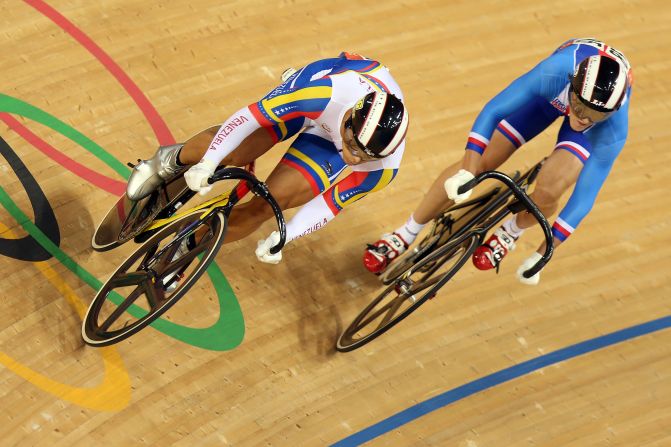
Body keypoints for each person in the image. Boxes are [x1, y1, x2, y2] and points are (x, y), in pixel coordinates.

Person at [364, 38, 632, 285]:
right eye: (580, 106)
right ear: (572, 86)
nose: (583, 117)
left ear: (612, 111)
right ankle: (406, 232)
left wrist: (542, 254)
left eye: (595, 114)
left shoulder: (613, 127)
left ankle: (510, 231)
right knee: (481, 163)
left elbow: (584, 199)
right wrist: (468, 171)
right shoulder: (556, 72)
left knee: (551, 187)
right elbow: (493, 111)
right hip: (547, 100)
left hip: (586, 120)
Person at [126, 52, 409, 266]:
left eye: (365, 157)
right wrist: (209, 162)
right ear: (349, 121)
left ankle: (187, 247)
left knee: (269, 205)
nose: (355, 160)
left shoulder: (385, 167)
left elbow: (332, 202)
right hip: (313, 99)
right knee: (236, 154)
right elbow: (248, 118)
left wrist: (288, 235)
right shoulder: (322, 95)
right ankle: (167, 161)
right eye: (353, 147)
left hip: (329, 132)